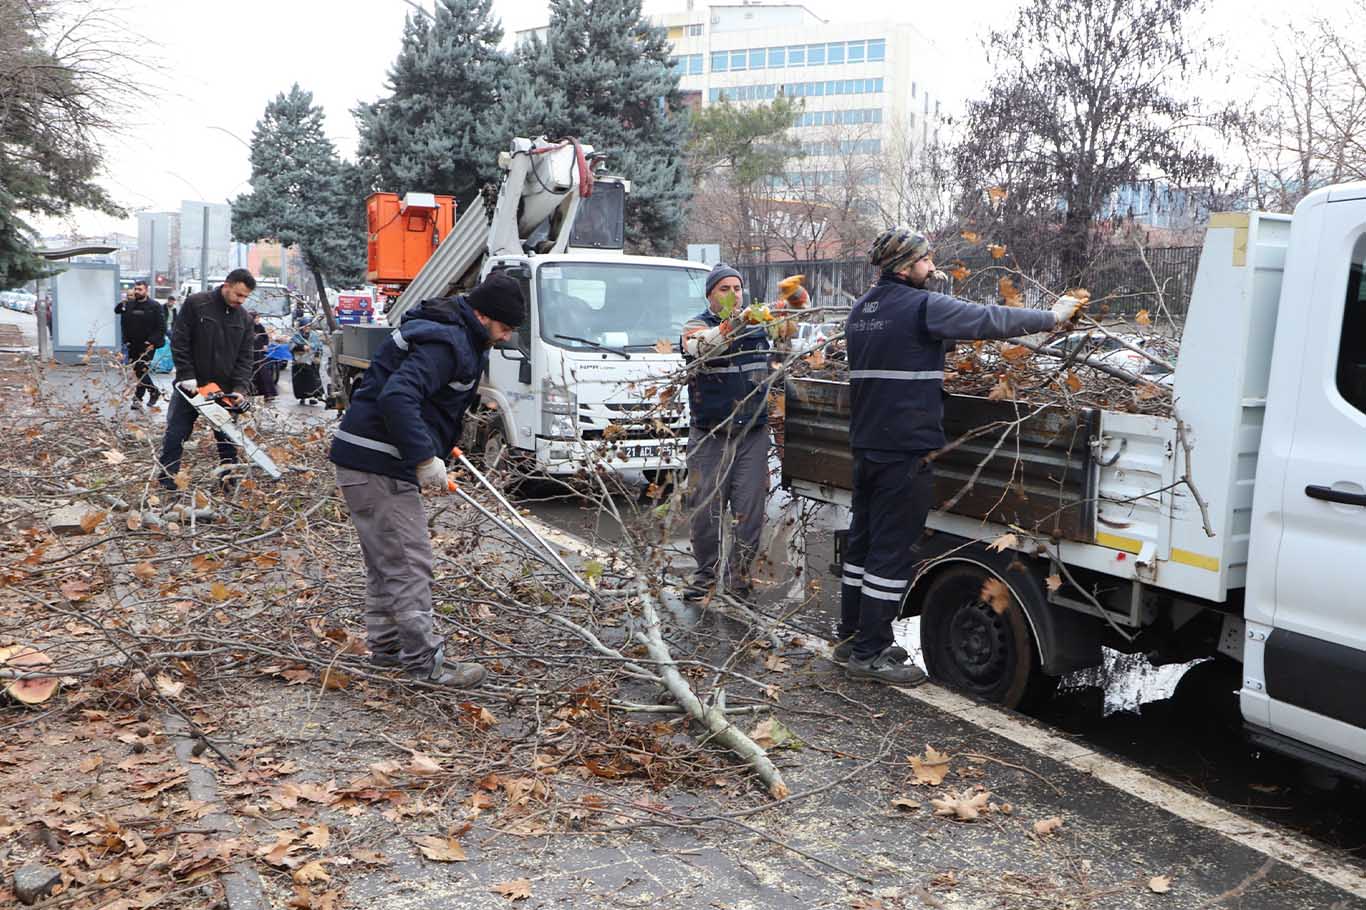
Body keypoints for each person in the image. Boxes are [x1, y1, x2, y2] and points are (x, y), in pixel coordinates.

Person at [836, 226, 1083, 684]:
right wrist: (1052, 318)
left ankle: (851, 636)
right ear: (906, 266)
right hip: (906, 451)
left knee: (863, 547)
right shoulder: (921, 306)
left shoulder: (861, 311)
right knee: (890, 553)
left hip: (867, 446)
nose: (933, 268)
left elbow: (908, 348)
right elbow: (987, 319)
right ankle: (870, 652)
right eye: (926, 261)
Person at [328, 271, 525, 689]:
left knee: (386, 563)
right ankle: (424, 663)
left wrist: (441, 440)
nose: (506, 338)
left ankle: (386, 651)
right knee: (410, 563)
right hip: (378, 462)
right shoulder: (448, 342)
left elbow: (427, 399)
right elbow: (398, 396)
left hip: (363, 457)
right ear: (483, 315)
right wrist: (422, 456)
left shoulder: (455, 332)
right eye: (505, 328)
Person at [680, 263, 773, 602]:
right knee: (705, 512)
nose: (734, 294)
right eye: (725, 289)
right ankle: (705, 575)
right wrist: (735, 323)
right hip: (710, 437)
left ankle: (739, 580)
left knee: (748, 514)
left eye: (737, 288)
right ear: (710, 295)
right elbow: (702, 347)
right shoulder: (695, 327)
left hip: (751, 435)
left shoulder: (761, 328)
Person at [156, 269, 257, 490]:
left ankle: (228, 482)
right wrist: (186, 375)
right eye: (238, 295)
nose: (241, 300)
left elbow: (245, 357)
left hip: (223, 389)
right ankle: (167, 480)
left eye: (245, 297)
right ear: (226, 285)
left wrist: (240, 388)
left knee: (227, 439)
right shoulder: (197, 304)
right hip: (191, 386)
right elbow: (180, 341)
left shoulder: (244, 319)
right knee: (176, 432)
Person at [114, 280, 166, 409]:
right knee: (138, 371)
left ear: (146, 290)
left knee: (141, 369)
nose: (137, 291)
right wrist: (122, 304)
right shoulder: (130, 304)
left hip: (148, 345)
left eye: (140, 289)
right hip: (133, 344)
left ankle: (141, 397)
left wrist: (151, 341)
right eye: (136, 289)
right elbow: (117, 311)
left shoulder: (155, 306)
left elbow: (161, 327)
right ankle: (148, 394)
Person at [289, 319, 325, 404]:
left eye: (308, 326)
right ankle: (303, 397)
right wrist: (302, 347)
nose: (307, 328)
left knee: (312, 380)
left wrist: (317, 357)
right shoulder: (296, 336)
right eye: (305, 326)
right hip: (300, 361)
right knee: (300, 381)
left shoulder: (314, 335)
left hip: (311, 361)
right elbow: (291, 346)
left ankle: (313, 397)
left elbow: (319, 347)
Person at [250, 310, 278, 401]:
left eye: (258, 318)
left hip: (260, 354)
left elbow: (265, 337)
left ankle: (268, 393)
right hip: (250, 355)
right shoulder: (247, 327)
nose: (258, 320)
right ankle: (254, 392)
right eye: (256, 318)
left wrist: (265, 344)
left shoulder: (259, 327)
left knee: (264, 373)